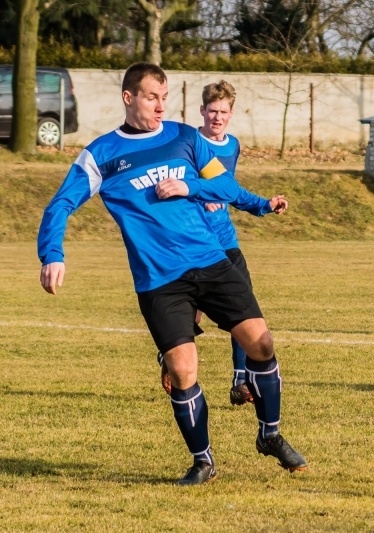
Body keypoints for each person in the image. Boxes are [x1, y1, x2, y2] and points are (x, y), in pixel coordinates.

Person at [37, 62, 307, 486]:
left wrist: (200, 190)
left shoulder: (186, 137)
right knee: (182, 371)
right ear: (129, 98)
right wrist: (52, 253)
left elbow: (224, 186)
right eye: (151, 97)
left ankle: (269, 434)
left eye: (165, 97)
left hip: (211, 261)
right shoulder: (102, 155)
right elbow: (60, 204)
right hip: (159, 281)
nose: (161, 106)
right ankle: (203, 463)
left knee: (262, 343)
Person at [157, 80, 289, 406]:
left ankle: (240, 380)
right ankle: (170, 357)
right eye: (212, 111)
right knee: (192, 314)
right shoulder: (185, 143)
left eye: (223, 112)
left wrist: (262, 204)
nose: (217, 117)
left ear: (231, 114)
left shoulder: (232, 146)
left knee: (243, 307)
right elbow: (177, 182)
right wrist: (201, 193)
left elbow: (227, 184)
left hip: (225, 237)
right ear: (202, 110)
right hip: (194, 241)